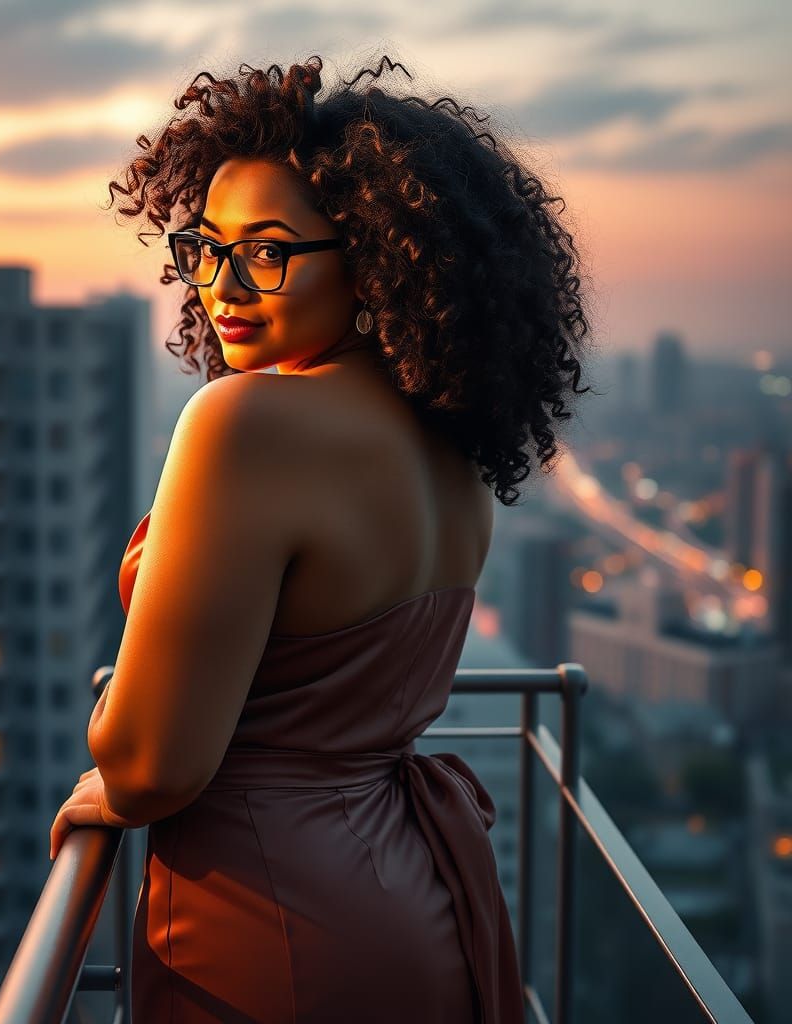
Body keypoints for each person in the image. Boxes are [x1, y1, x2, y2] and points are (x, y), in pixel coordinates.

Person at [49, 53, 597, 1023]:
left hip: (263, 928)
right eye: (204, 248)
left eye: (266, 251)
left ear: (377, 257)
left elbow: (148, 761)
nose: (221, 286)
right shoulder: (453, 442)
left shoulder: (244, 425)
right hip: (415, 902)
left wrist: (104, 768)